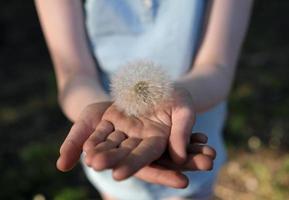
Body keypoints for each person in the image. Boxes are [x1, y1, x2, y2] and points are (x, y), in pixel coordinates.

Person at [34, 0, 253, 199]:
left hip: (191, 146)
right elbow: (74, 74)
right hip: (112, 152)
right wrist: (101, 113)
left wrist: (175, 96)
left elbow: (216, 66)